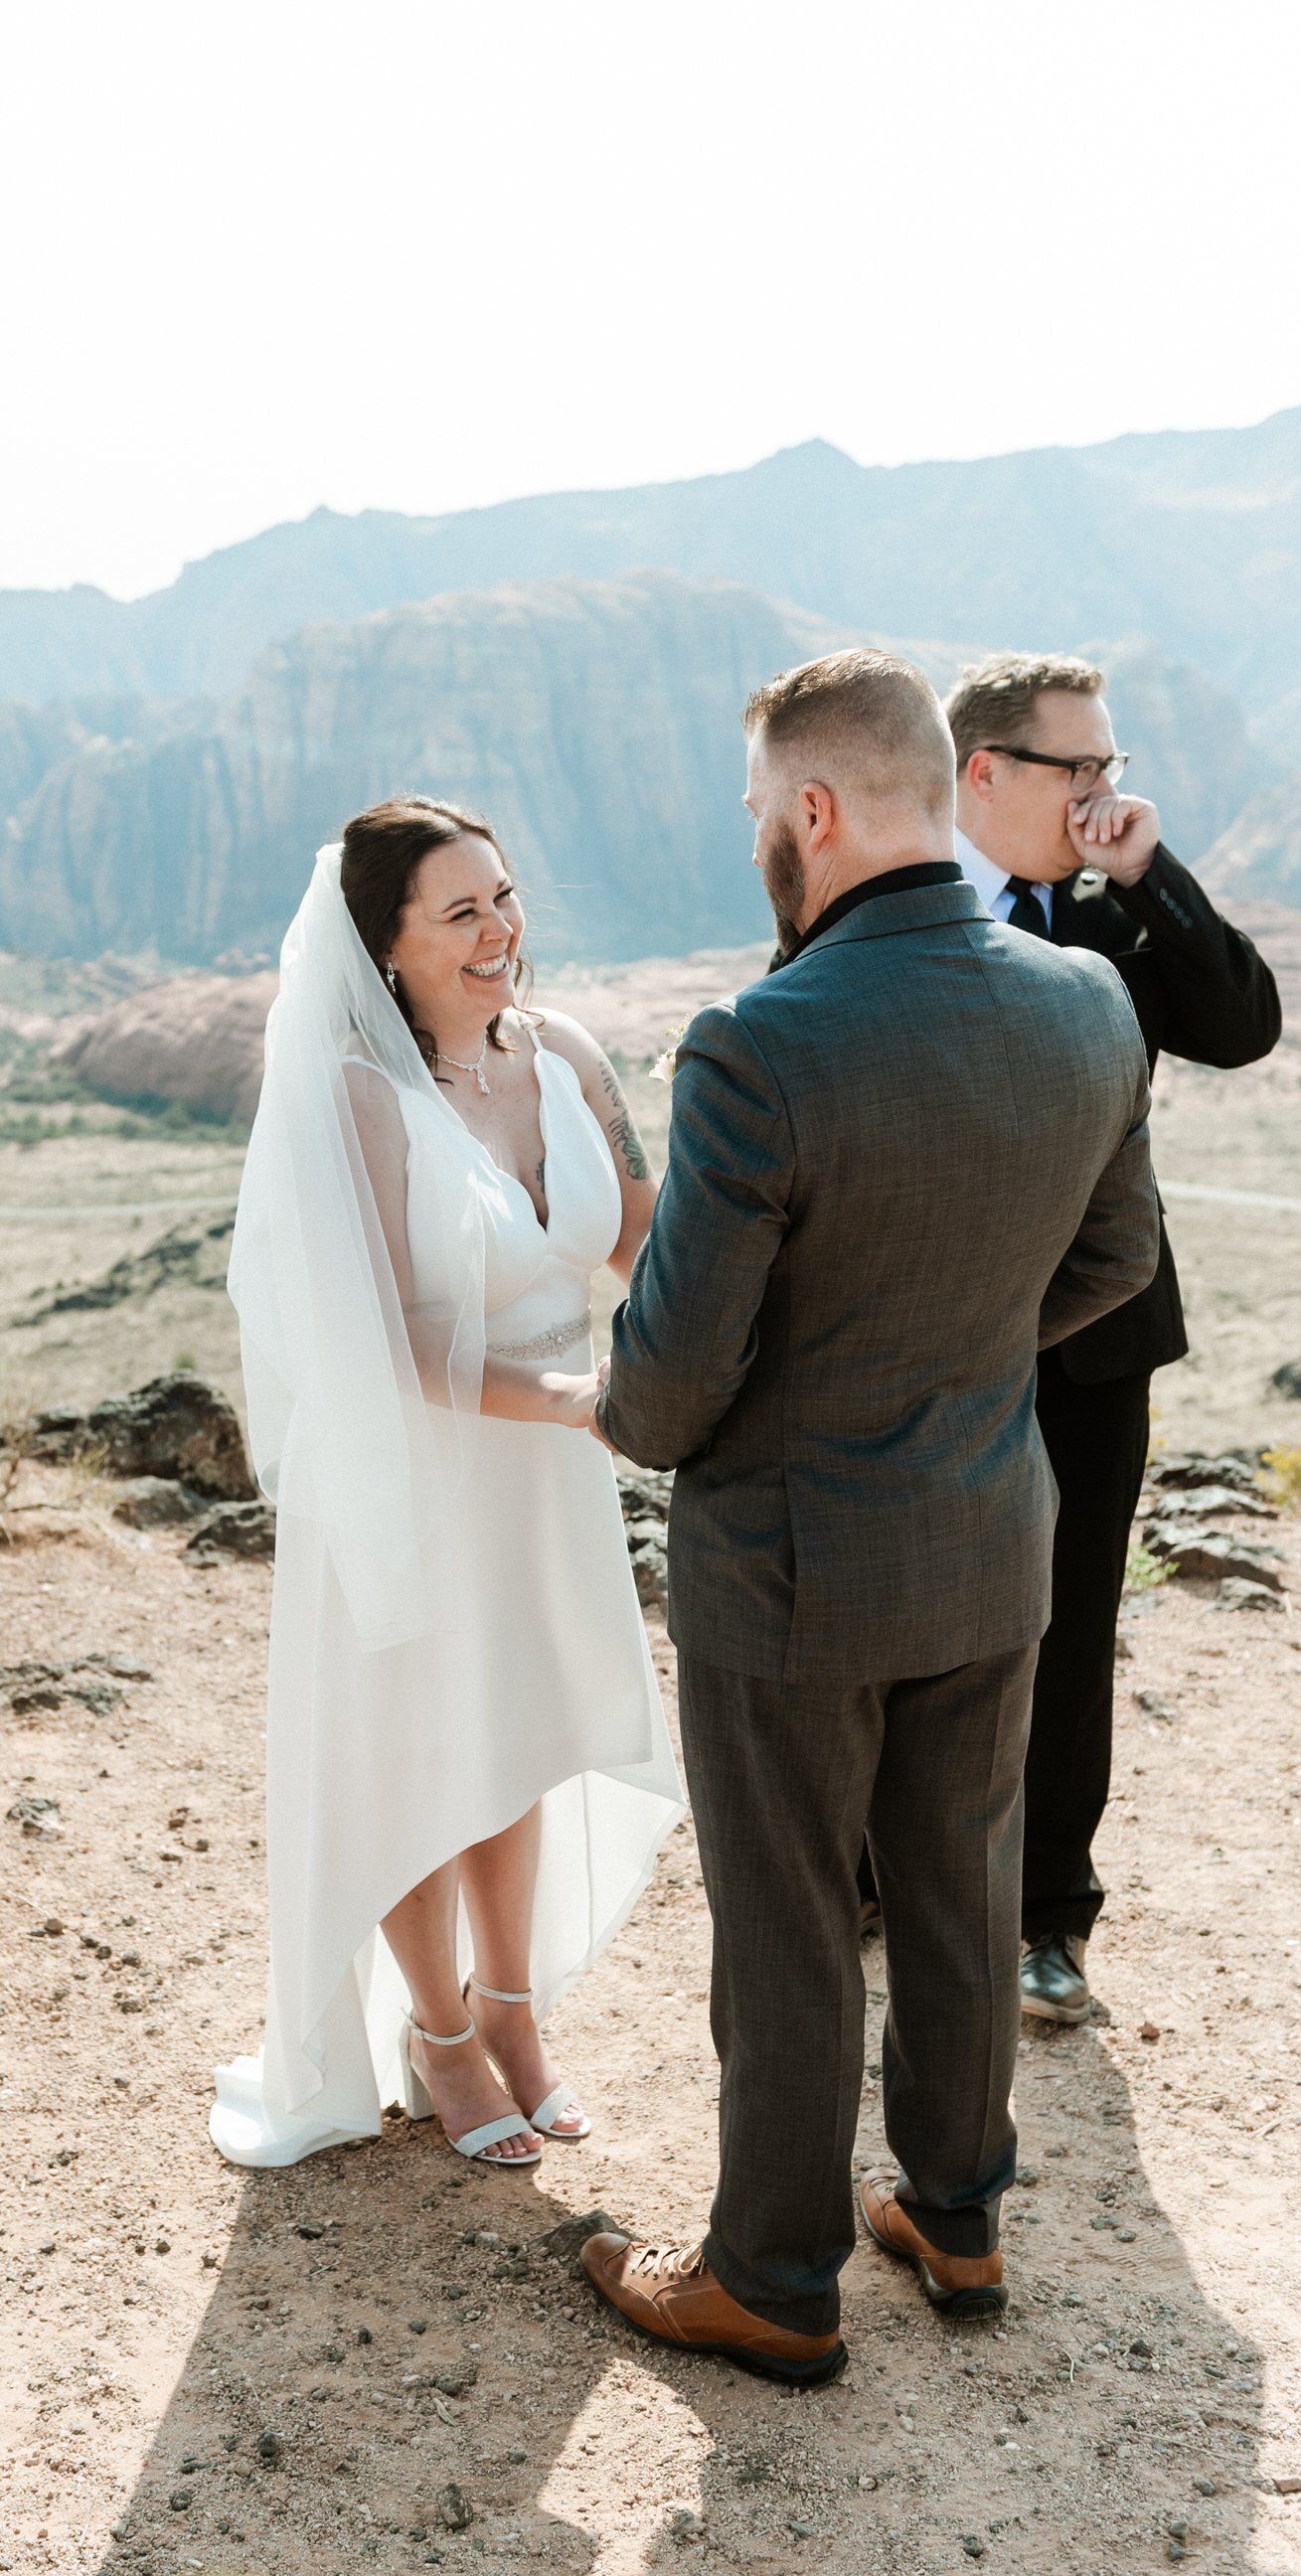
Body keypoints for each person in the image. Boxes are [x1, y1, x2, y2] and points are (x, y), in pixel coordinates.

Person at [580, 650, 1160, 2382]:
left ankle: (768, 2273)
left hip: (788, 1568)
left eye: (765, 813)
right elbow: (1114, 1263)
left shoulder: (761, 1041)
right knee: (962, 1889)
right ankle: (959, 2214)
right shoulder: (1081, 1003)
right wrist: (956, 1365)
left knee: (785, 1921)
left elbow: (665, 1395)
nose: (761, 839)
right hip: (992, 1537)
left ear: (815, 811)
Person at [210, 797, 684, 2170]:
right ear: (387, 943)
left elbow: (643, 1247)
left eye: (506, 898)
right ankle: (437, 2035)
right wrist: (575, 1400)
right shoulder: (356, 1098)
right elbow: (388, 1336)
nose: (500, 932)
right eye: (460, 912)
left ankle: (515, 2010)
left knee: (521, 1735)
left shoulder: (570, 1059)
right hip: (410, 1464)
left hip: (550, 1471)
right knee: (420, 1748)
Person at [943, 654, 1281, 2024]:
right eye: (1073, 768)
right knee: (913, 1623)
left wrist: (1151, 875)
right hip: (932, 1332)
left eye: (1110, 766)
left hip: (1094, 1336)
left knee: (1070, 1624)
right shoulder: (881, 902)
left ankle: (1045, 1919)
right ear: (981, 773)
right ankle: (874, 1876)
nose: (1101, 791)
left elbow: (1243, 1027)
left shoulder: (1112, 909)